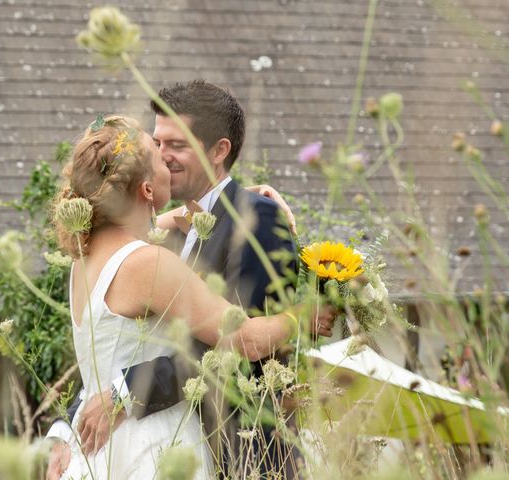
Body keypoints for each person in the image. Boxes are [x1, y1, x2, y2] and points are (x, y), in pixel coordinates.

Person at [47, 81, 336, 478]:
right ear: (146, 188)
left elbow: (220, 362)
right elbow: (241, 340)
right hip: (154, 446)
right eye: (157, 146)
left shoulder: (90, 253)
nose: (164, 158)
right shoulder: (149, 255)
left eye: (176, 145)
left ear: (219, 150)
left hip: (235, 449)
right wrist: (304, 317)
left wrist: (239, 202)